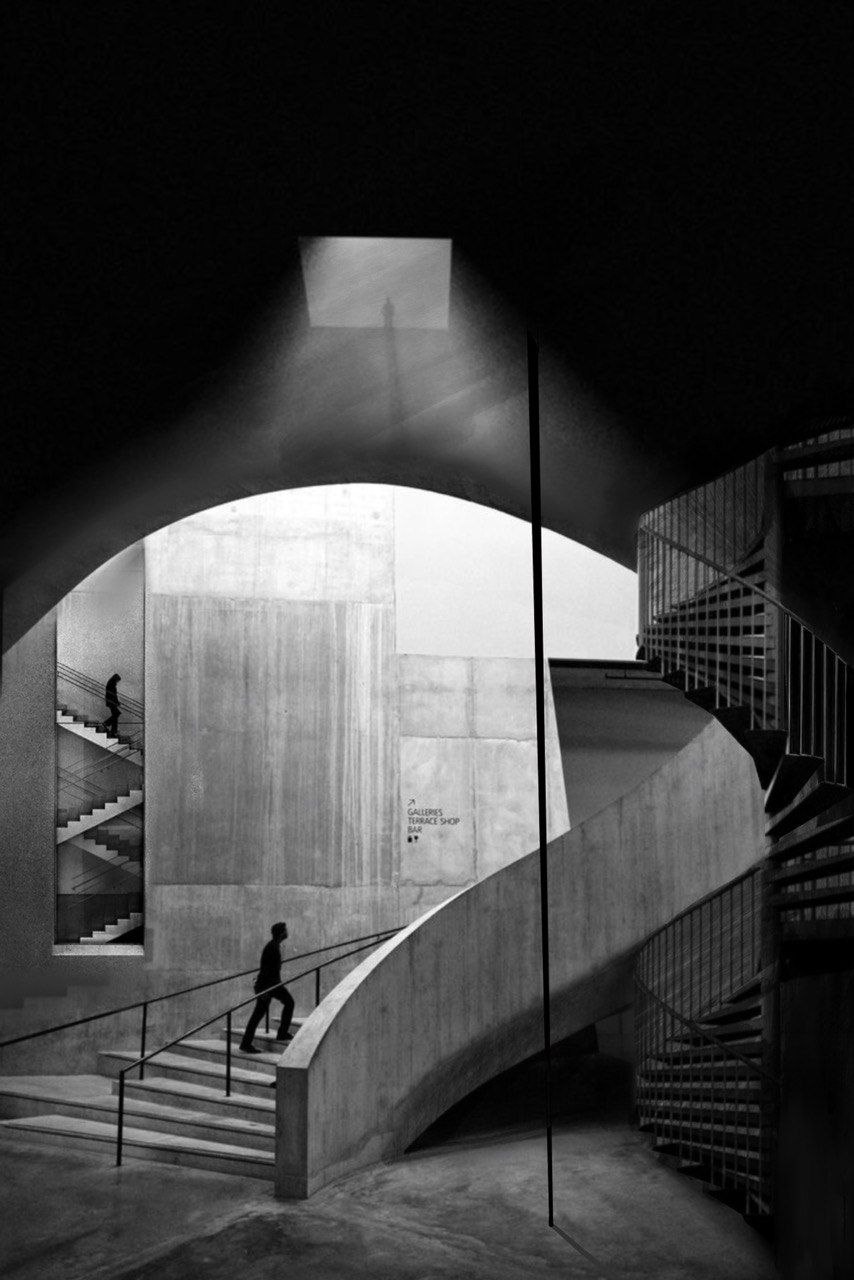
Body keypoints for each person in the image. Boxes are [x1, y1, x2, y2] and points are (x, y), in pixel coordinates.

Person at [240, 921, 295, 1053]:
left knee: (260, 1013)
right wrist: (262, 990)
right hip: (268, 985)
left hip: (271, 984)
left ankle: (281, 1033)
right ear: (281, 933)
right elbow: (267, 970)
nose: (287, 932)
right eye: (285, 930)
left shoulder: (274, 946)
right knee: (287, 1003)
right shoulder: (272, 948)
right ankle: (247, 1043)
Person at [102, 673, 121, 737]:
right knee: (116, 714)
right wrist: (117, 702)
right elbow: (113, 695)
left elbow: (113, 695)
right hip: (111, 702)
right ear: (116, 679)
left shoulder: (111, 683)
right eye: (118, 680)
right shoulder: (112, 684)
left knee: (115, 715)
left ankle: (113, 731)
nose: (118, 682)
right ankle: (106, 724)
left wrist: (117, 702)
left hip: (111, 702)